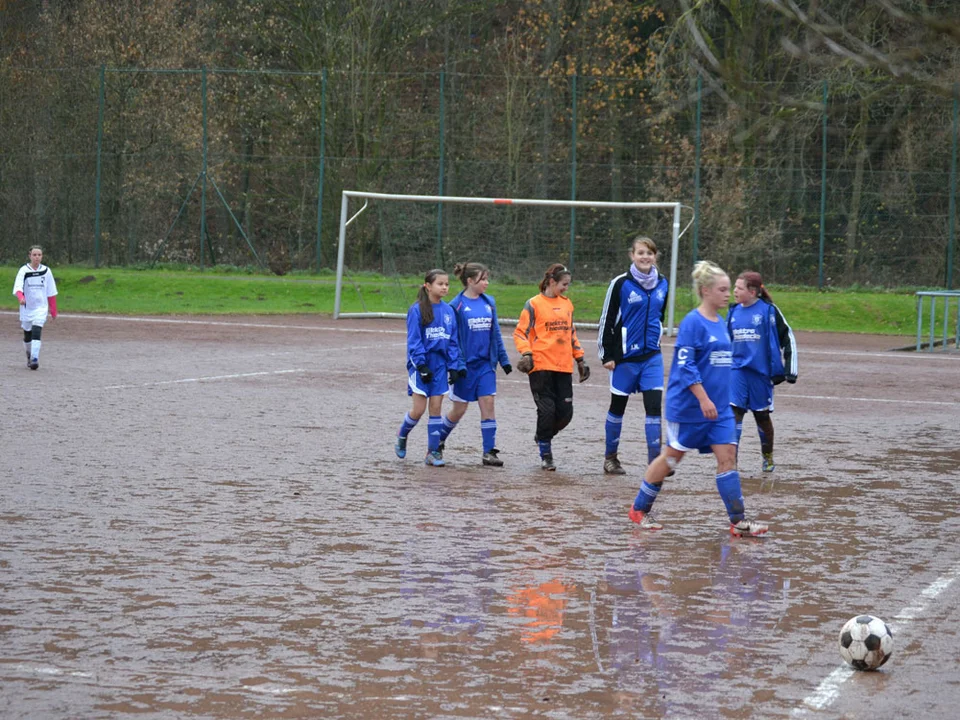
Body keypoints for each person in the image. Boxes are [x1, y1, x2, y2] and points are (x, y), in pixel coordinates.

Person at [628, 260, 768, 537]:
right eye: (722, 289)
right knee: (672, 457)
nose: (728, 294)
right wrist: (703, 399)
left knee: (728, 457)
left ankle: (738, 521)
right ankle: (639, 509)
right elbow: (686, 366)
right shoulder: (693, 322)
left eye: (730, 289)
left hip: (719, 409)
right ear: (705, 291)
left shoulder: (722, 321)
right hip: (690, 408)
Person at [597, 236, 669, 475]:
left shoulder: (663, 284)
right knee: (618, 408)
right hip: (625, 359)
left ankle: (655, 463)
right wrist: (607, 354)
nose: (645, 257)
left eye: (649, 253)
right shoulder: (620, 283)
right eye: (640, 253)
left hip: (651, 357)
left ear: (655, 256)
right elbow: (607, 320)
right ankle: (611, 458)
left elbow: (659, 316)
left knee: (654, 409)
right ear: (632, 255)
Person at [435, 262, 513, 467]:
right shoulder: (456, 306)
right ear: (470, 281)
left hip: (485, 365)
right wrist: (456, 366)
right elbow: (453, 339)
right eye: (483, 279)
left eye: (487, 278)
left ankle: (489, 452)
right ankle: (438, 440)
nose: (487, 283)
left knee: (488, 404)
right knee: (459, 409)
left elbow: (495, 332)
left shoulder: (489, 302)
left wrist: (503, 359)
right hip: (464, 368)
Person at [513, 263, 590, 471]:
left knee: (565, 413)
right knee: (547, 411)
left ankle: (542, 435)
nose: (566, 288)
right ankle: (546, 454)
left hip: (563, 366)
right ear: (551, 282)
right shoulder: (533, 304)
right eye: (564, 284)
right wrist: (526, 353)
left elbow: (571, 333)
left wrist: (580, 359)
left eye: (568, 285)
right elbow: (520, 333)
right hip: (540, 366)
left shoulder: (567, 304)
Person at [727, 271, 798, 473]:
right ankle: (731, 462)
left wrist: (790, 369)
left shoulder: (768, 311)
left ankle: (767, 457)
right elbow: (725, 342)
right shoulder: (733, 312)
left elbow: (788, 337)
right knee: (734, 413)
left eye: (738, 288)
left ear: (752, 292)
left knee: (762, 416)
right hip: (737, 370)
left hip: (760, 373)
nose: (734, 291)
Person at [394, 269, 465, 467]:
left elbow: (453, 342)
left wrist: (453, 366)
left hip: (441, 366)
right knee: (418, 410)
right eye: (440, 284)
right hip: (422, 365)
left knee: (436, 408)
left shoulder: (449, 311)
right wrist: (422, 366)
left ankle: (432, 453)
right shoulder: (416, 310)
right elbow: (414, 341)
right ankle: (402, 434)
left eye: (447, 284)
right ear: (428, 286)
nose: (445, 287)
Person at [13, 245, 58, 370]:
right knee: (27, 333)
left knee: (37, 330)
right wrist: (21, 297)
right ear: (30, 256)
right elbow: (18, 287)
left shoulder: (46, 271)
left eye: (39, 255)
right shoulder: (24, 270)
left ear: (42, 256)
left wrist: (53, 310)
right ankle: (29, 354)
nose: (37, 257)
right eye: (34, 255)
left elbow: (51, 291)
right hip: (27, 308)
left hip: (41, 307)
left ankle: (34, 358)